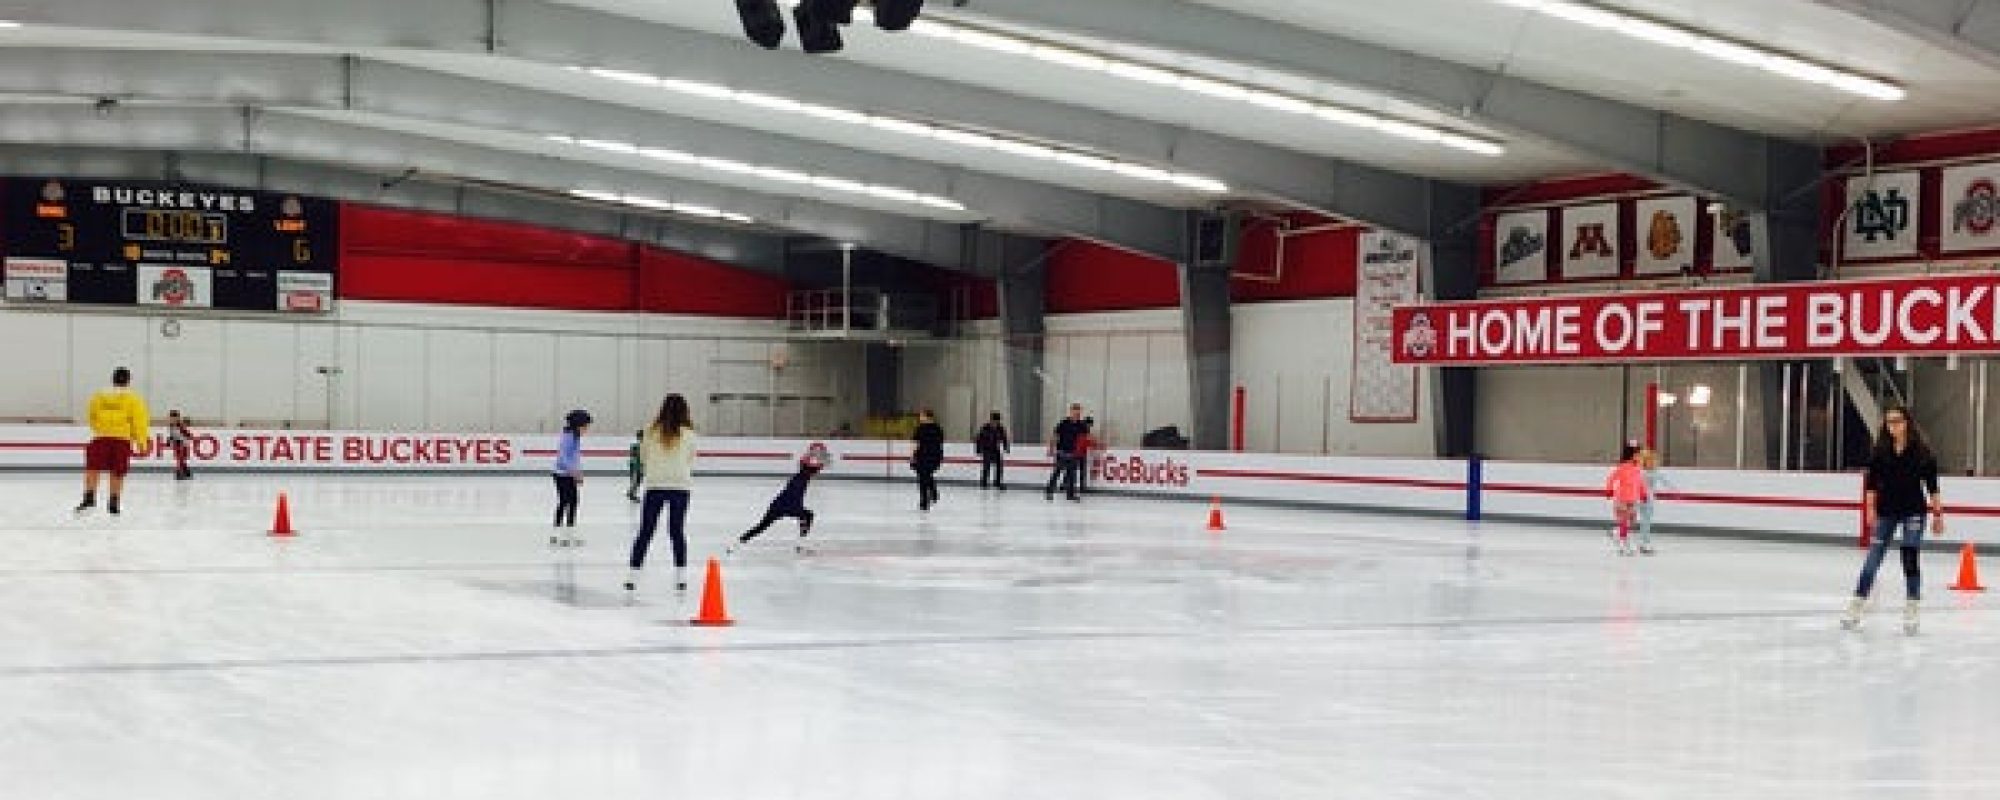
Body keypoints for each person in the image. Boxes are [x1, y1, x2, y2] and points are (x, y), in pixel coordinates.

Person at [1842, 405, 1944, 634]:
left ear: (1907, 422)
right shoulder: (1880, 452)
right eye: (1889, 422)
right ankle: (1856, 605)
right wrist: (1870, 510)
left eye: (1897, 421)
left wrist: (1938, 515)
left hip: (1913, 512)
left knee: (1909, 555)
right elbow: (1871, 484)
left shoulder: (1922, 453)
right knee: (1872, 561)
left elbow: (1933, 488)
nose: (1893, 426)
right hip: (1886, 511)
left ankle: (1912, 607)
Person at [628, 394, 697, 594]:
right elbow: (690, 459)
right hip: (680, 486)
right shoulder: (689, 434)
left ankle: (633, 576)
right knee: (677, 531)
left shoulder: (650, 432)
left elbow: (643, 458)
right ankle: (681, 577)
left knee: (646, 531)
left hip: (655, 485)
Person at [729, 443, 830, 556]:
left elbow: (808, 466)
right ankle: (799, 545)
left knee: (761, 526)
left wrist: (817, 459)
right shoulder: (803, 475)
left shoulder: (799, 475)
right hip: (791, 506)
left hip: (777, 505)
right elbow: (810, 467)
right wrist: (819, 460)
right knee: (808, 516)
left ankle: (736, 544)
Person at [76, 367, 151, 516]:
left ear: (112, 379)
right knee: (117, 471)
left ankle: (89, 498)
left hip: (101, 437)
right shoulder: (133, 399)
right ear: (128, 381)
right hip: (122, 439)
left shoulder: (98, 396)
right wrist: (141, 441)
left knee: (92, 468)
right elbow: (139, 422)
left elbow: (91, 416)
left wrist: (101, 429)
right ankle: (113, 502)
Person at [550, 409, 590, 545]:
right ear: (577, 425)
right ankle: (556, 535)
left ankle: (569, 534)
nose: (587, 429)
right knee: (564, 502)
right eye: (585, 426)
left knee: (573, 502)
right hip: (561, 474)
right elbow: (562, 458)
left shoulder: (575, 437)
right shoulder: (568, 437)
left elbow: (575, 457)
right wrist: (574, 472)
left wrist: (578, 471)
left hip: (569, 474)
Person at [1603, 442, 1649, 556]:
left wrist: (1643, 493)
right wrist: (1609, 490)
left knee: (1632, 521)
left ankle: (1616, 533)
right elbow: (1611, 478)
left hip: (1633, 499)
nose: (1639, 456)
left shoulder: (1637, 468)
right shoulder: (1622, 467)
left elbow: (1640, 482)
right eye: (1637, 454)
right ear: (1631, 454)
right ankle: (1623, 545)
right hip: (1621, 498)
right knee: (1624, 521)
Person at [1634, 447, 1674, 555]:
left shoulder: (1641, 471)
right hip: (1645, 500)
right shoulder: (1651, 472)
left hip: (1640, 499)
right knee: (1645, 522)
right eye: (1654, 460)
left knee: (1643, 522)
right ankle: (1644, 543)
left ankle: (1642, 543)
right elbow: (1667, 483)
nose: (1656, 462)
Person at [1045, 404, 1088, 502]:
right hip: (1062, 452)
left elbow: (1085, 438)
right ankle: (1049, 491)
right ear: (1071, 411)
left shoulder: (1082, 425)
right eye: (1074, 411)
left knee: (1072, 474)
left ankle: (1070, 494)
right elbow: (1055, 435)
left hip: (1073, 453)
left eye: (1078, 411)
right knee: (1057, 472)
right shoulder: (1064, 423)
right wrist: (1051, 448)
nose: (1076, 413)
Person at [911, 409, 945, 512]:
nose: (920, 418)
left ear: (927, 416)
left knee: (923, 478)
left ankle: (925, 501)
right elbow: (940, 444)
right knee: (926, 475)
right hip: (935, 455)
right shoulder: (938, 429)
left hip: (923, 455)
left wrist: (913, 456)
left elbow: (917, 444)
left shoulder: (920, 429)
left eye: (921, 416)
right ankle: (933, 493)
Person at [975, 412, 1010, 490]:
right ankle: (984, 482)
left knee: (999, 465)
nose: (995, 423)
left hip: (995, 449)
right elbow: (979, 439)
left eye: (997, 421)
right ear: (991, 420)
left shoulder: (1000, 428)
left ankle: (997, 482)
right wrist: (978, 449)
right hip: (986, 449)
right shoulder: (985, 427)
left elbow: (1004, 438)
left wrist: (1006, 447)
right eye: (994, 421)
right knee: (986, 466)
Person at [167, 410, 195, 481]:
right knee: (180, 459)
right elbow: (173, 434)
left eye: (174, 418)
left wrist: (187, 439)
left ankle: (180, 473)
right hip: (177, 443)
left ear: (177, 418)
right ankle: (185, 472)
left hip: (183, 444)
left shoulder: (180, 425)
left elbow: (188, 434)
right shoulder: (171, 425)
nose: (172, 419)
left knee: (180, 459)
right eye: (171, 418)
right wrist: (170, 440)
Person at [625, 429, 644, 503]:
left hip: (636, 465)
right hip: (636, 466)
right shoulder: (637, 446)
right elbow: (635, 456)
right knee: (636, 480)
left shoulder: (636, 445)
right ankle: (631, 493)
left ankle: (631, 492)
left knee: (637, 481)